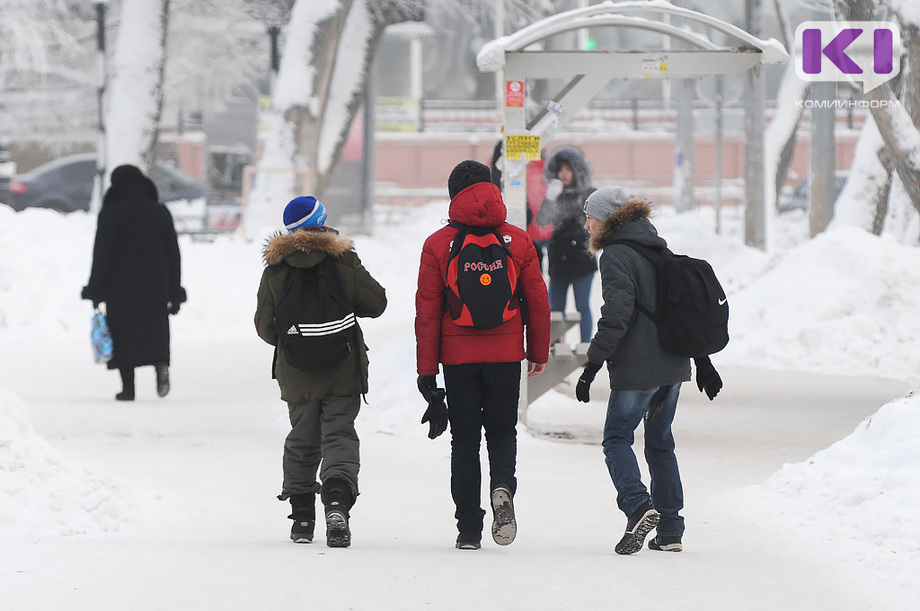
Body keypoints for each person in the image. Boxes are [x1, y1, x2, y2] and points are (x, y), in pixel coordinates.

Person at [415, 160, 551, 550]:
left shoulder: (438, 245)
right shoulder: (518, 240)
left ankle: (469, 530)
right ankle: (503, 488)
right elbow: (538, 302)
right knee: (503, 431)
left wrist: (427, 372)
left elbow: (427, 312)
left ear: (453, 194)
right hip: (507, 354)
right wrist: (537, 351)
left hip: (458, 360)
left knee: (465, 441)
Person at [255, 195, 387, 548]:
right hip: (343, 367)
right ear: (323, 221)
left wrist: (296, 343)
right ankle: (336, 504)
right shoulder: (343, 261)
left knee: (302, 439)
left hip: (296, 373)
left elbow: (264, 326)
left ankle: (301, 520)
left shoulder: (276, 269)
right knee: (339, 436)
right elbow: (377, 304)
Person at [575, 185, 693, 555]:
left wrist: (591, 364)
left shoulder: (615, 255)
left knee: (617, 438)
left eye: (590, 216)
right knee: (660, 443)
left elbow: (616, 316)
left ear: (608, 219)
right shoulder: (658, 247)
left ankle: (638, 505)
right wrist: (700, 360)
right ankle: (671, 530)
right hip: (672, 365)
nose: (586, 224)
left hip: (638, 368)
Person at [81, 164, 185, 401]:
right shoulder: (159, 212)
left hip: (120, 287)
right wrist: (174, 290)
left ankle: (128, 389)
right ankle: (161, 366)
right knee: (155, 329)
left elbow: (102, 254)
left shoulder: (110, 213)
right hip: (155, 284)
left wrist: (95, 289)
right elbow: (173, 254)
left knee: (123, 333)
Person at [535, 145, 597, 343]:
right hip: (558, 260)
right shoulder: (555, 195)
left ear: (577, 171)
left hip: (582, 260)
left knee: (582, 306)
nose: (563, 174)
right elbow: (542, 221)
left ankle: (586, 347)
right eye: (560, 169)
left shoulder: (588, 194)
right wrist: (549, 198)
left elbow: (596, 221)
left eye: (568, 169)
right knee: (555, 310)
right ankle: (555, 347)